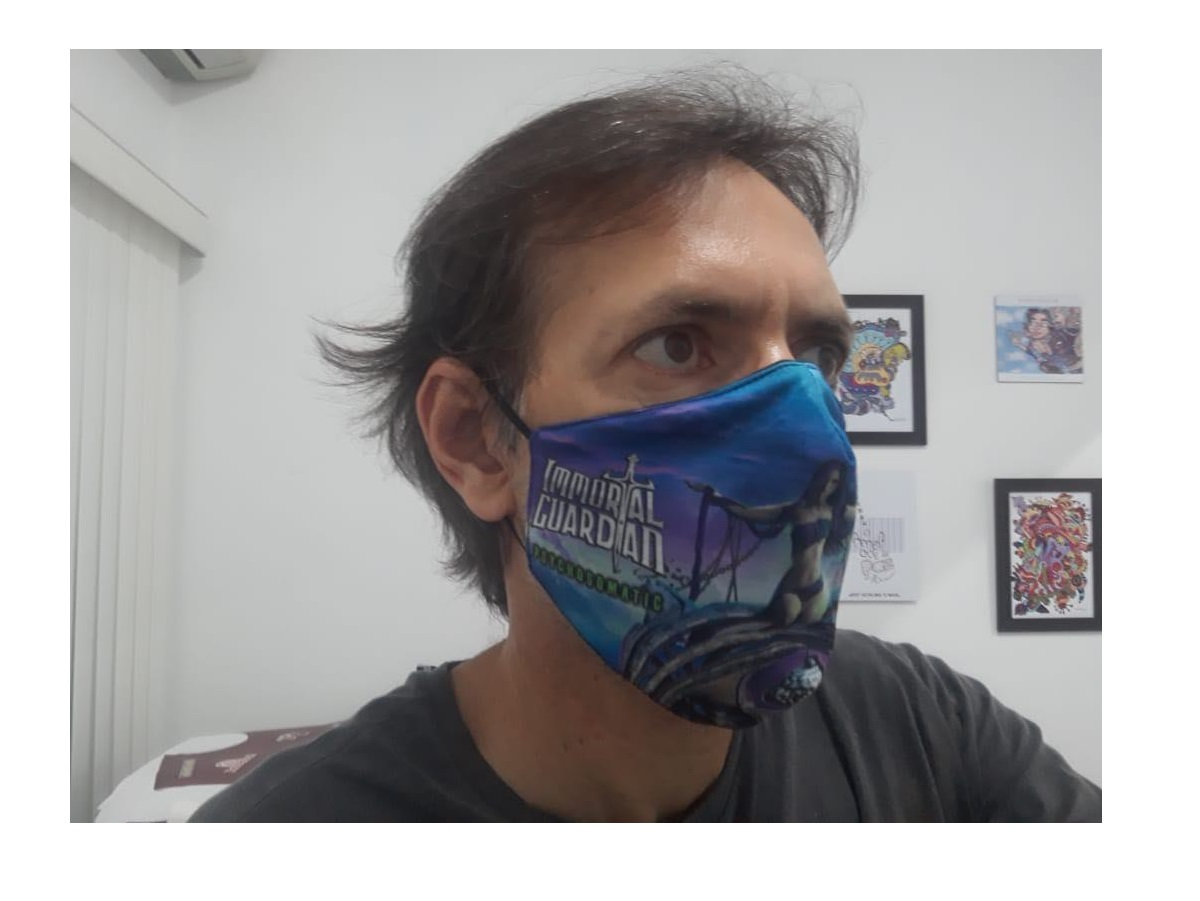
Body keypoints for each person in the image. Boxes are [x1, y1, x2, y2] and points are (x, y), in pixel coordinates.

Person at [190, 66, 1101, 822]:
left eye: (817, 357)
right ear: (475, 441)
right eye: (678, 345)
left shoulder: (924, 725)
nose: (802, 424)